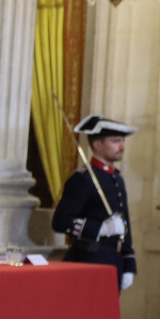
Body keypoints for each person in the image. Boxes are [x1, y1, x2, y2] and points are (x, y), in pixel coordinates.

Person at [54, 114, 137, 290]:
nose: (122, 146)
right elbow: (60, 221)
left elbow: (125, 224)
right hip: (89, 258)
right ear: (97, 145)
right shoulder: (83, 179)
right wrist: (100, 229)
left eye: (122, 141)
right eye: (115, 141)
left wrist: (129, 264)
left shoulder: (116, 178)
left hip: (114, 260)